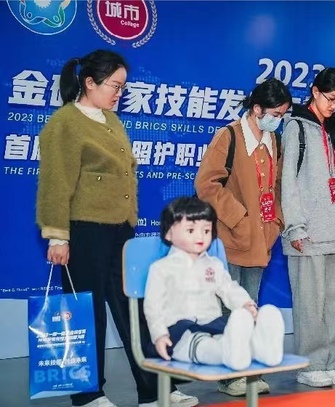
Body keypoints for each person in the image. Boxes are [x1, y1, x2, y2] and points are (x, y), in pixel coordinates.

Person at [36, 49, 198, 407]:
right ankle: (88, 395)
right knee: (85, 313)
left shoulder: (111, 120)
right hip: (84, 231)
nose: (119, 94)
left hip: (119, 232)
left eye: (123, 87)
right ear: (89, 83)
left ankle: (154, 390)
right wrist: (57, 236)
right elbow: (55, 185)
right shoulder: (64, 123)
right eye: (115, 85)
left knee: (135, 310)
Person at [195, 78, 292, 396]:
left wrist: (276, 222)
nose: (278, 120)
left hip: (260, 239)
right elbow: (207, 185)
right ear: (257, 109)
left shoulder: (274, 140)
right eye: (275, 114)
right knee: (228, 308)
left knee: (249, 306)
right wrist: (239, 217)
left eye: (283, 115)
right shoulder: (229, 136)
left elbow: (276, 186)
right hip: (228, 237)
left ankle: (246, 370)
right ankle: (228, 376)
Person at [280, 67, 335, 388]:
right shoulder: (295, 127)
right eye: (331, 98)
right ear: (315, 91)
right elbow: (288, 182)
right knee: (310, 304)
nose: (334, 105)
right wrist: (295, 228)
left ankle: (331, 362)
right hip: (309, 233)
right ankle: (310, 365)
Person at [144, 196, 285, 372]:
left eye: (206, 230)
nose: (200, 236)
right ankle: (230, 354)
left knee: (229, 335)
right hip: (180, 331)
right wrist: (159, 335)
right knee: (202, 346)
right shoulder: (161, 269)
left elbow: (229, 288)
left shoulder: (213, 265)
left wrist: (245, 304)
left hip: (212, 324)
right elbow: (153, 307)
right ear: (169, 234)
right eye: (190, 230)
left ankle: (261, 349)